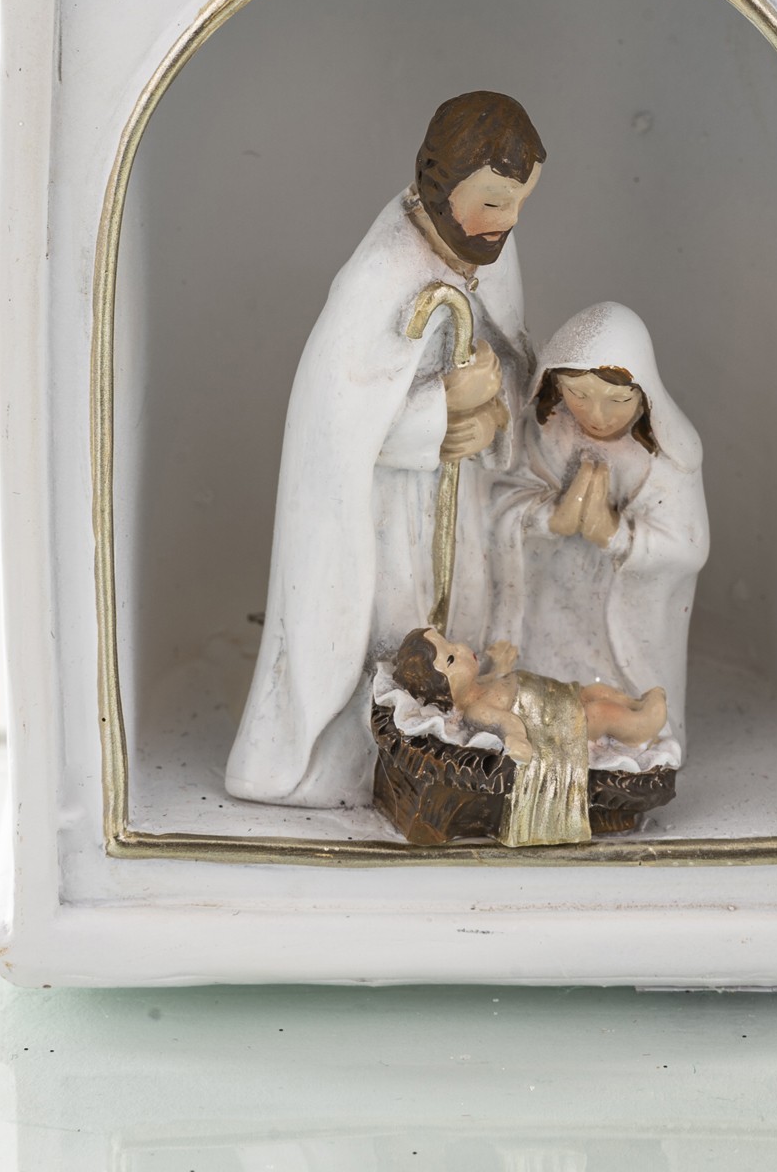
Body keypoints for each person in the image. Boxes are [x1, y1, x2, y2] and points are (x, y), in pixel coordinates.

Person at [225, 91, 545, 808]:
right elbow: (333, 431)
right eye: (494, 202)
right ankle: (370, 754)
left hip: (458, 498)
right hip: (384, 512)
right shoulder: (380, 277)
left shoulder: (492, 252)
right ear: (439, 184)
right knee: (397, 633)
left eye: (521, 203)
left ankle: (447, 751)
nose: (507, 222)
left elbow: (512, 362)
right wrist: (442, 411)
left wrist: (492, 414)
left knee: (460, 632)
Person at [489, 302, 709, 748]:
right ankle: (545, 732)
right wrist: (549, 518)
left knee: (615, 698)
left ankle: (623, 732)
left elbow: (689, 548)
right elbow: (493, 504)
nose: (597, 414)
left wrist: (615, 535)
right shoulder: (542, 433)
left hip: (619, 620)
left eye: (618, 400)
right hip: (548, 603)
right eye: (578, 394)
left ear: (643, 394)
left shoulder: (664, 458)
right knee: (542, 687)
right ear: (554, 383)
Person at [393, 626, 669, 760]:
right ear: (445, 691)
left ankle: (634, 703)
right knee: (601, 712)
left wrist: (501, 664)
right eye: (452, 659)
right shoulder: (477, 710)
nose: (462, 650)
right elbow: (507, 723)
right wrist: (516, 741)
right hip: (560, 722)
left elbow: (498, 678)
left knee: (598, 691)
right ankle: (642, 726)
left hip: (559, 695)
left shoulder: (481, 684)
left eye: (452, 643)